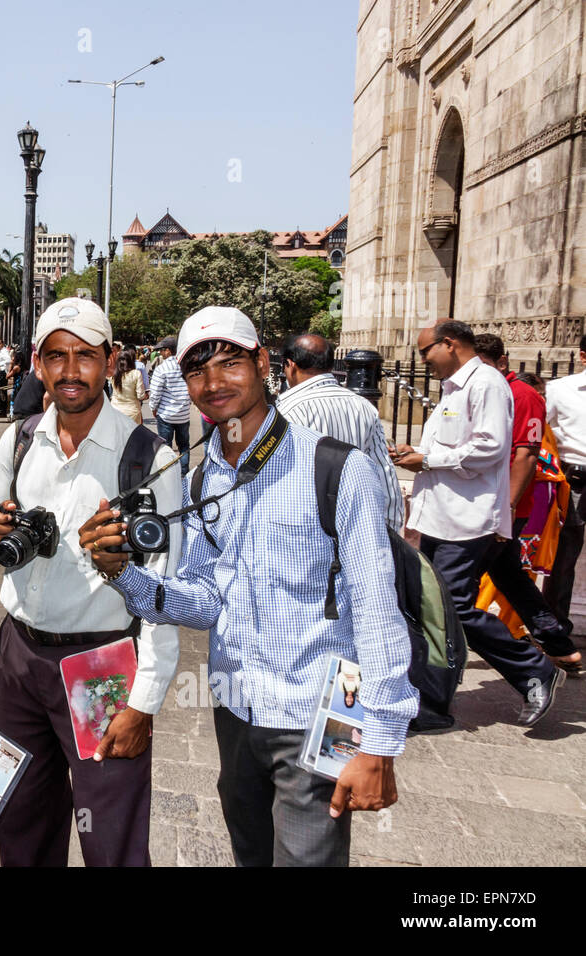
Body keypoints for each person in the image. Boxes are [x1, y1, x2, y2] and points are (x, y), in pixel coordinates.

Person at [82, 306, 418, 867]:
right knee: (250, 854)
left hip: (316, 712)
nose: (213, 383)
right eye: (197, 370)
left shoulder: (335, 467)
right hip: (236, 709)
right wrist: (122, 572)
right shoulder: (200, 476)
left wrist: (380, 740)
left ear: (264, 363)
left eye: (230, 363)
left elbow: (377, 610)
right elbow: (207, 599)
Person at [0, 297, 182, 868]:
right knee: (23, 822)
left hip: (101, 666)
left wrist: (144, 703)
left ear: (111, 361)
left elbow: (164, 593)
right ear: (37, 365)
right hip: (20, 654)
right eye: (57, 356)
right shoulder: (18, 441)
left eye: (86, 356)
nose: (71, 371)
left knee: (110, 836)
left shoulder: (150, 459)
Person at [392, 319, 566, 725]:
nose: (423, 361)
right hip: (442, 516)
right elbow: (452, 446)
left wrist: (428, 459)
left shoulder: (485, 383)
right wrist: (415, 452)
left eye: (425, 352)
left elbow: (490, 447)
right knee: (431, 607)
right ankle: (431, 698)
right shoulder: (456, 386)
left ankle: (534, 670)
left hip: (467, 520)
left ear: (449, 344)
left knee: (452, 608)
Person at [471, 335, 581, 674]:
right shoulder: (483, 391)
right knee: (511, 579)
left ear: (502, 363)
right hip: (485, 503)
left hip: (504, 507)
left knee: (457, 587)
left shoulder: (523, 395)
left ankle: (527, 663)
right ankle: (559, 645)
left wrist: (505, 509)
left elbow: (527, 455)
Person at [276, 333, 405, 531]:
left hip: (303, 530)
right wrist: (389, 530)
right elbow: (383, 472)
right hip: (356, 523)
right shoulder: (363, 406)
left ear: (290, 365)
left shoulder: (286, 410)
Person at [544, 335, 586, 650]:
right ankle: (555, 628)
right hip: (576, 480)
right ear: (583, 356)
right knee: (564, 558)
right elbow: (544, 431)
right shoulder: (561, 389)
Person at [147, 335, 192, 476]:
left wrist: (153, 408)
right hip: (183, 415)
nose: (160, 353)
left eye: (162, 350)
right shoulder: (186, 366)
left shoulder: (162, 369)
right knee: (184, 446)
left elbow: (155, 393)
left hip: (166, 415)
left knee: (166, 447)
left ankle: (169, 474)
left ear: (168, 351)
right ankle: (183, 473)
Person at [109, 347, 147, 423]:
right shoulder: (136, 373)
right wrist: (146, 396)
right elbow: (140, 396)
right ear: (131, 361)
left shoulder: (114, 374)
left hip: (115, 411)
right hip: (132, 412)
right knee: (132, 434)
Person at [0, 339, 13, 419]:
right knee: (2, 391)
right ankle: (2, 411)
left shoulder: (4, 351)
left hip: (1, 373)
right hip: (1, 373)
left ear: (3, 344)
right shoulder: (1, 352)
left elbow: (8, 360)